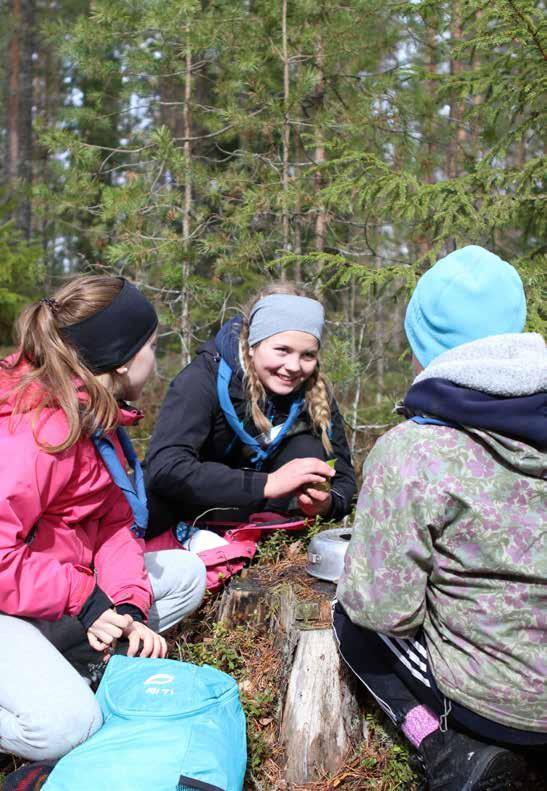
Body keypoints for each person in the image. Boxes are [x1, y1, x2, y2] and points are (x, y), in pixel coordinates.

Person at [335, 246, 546, 790]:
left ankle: (447, 751)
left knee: (350, 620)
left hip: (501, 708)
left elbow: (384, 609)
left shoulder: (415, 451)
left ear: (424, 345)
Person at [0, 276, 206, 767]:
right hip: (11, 602)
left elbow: (112, 524)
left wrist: (128, 606)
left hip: (43, 596)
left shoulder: (95, 413)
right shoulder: (34, 434)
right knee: (70, 729)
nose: (158, 357)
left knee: (187, 575)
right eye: (153, 346)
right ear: (121, 361)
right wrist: (85, 600)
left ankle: (73, 663)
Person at [144, 284, 356, 538]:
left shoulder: (313, 390)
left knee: (307, 449)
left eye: (308, 355)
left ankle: (273, 537)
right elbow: (166, 469)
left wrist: (326, 504)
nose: (293, 366)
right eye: (282, 350)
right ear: (252, 344)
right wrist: (267, 484)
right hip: (188, 519)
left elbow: (344, 480)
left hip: (265, 525)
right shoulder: (202, 380)